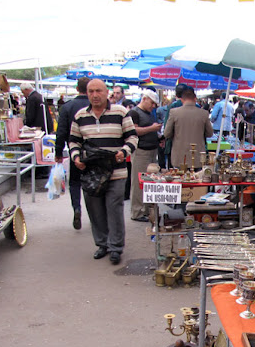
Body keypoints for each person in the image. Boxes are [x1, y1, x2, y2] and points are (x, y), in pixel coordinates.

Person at [68, 79, 138, 265]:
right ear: (87, 93)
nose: (95, 95)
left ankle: (116, 247)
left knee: (114, 208)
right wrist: (76, 158)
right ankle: (102, 244)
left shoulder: (121, 112)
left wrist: (124, 152)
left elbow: (132, 137)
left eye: (98, 91)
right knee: (95, 209)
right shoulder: (80, 116)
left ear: (107, 92)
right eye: (91, 91)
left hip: (116, 171)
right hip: (91, 173)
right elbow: (74, 141)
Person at [55, 77, 91, 230]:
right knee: (93, 183)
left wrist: (58, 152)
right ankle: (94, 215)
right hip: (93, 151)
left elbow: (61, 131)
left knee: (75, 182)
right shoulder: (95, 105)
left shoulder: (68, 107)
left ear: (77, 89)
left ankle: (77, 208)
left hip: (74, 151)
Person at [128, 89, 160, 222]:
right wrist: (152, 129)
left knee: (149, 182)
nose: (153, 106)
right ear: (145, 99)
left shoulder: (150, 113)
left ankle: (146, 210)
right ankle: (137, 211)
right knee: (138, 182)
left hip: (152, 150)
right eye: (152, 103)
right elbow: (134, 130)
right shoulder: (134, 112)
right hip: (141, 151)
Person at [163, 87, 213, 170]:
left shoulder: (174, 112)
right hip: (198, 156)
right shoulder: (204, 113)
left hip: (179, 156)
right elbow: (210, 133)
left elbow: (166, 133)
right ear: (195, 99)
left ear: (182, 99)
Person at [163, 83, 187, 169]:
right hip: (192, 146)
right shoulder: (196, 106)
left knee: (175, 173)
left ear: (176, 94)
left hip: (175, 145)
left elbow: (167, 129)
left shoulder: (173, 106)